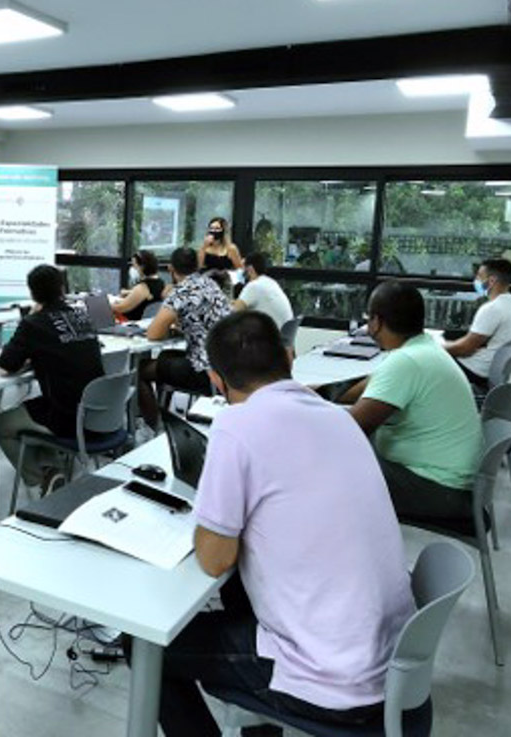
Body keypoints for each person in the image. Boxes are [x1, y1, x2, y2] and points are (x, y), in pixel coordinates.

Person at [160, 310, 414, 736]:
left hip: (329, 681)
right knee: (240, 592)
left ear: (216, 380)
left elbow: (215, 559)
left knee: (150, 646)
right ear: (289, 357)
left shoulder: (236, 426)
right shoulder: (340, 417)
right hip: (391, 662)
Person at [342, 281, 483, 524]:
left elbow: (349, 430)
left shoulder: (405, 362)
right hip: (449, 481)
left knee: (332, 468)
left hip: (438, 490)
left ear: (376, 322)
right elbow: (371, 386)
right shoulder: (425, 348)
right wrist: (321, 392)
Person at [0, 264, 104, 492]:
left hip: (67, 417)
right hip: (98, 415)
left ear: (33, 294)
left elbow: (4, 366)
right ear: (62, 288)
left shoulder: (33, 323)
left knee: (1, 423)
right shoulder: (83, 317)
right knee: (35, 410)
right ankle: (55, 471)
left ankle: (43, 477)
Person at [139, 247, 232, 428]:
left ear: (171, 269)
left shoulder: (181, 291)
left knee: (140, 371)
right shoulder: (209, 284)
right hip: (226, 364)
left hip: (204, 371)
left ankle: (154, 428)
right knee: (165, 358)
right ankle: (164, 418)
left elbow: (153, 334)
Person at [444, 258, 511, 389]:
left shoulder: (493, 308)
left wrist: (437, 347)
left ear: (491, 281)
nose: (476, 280)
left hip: (476, 371)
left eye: (480, 276)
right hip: (488, 368)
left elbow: (465, 348)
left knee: (427, 360)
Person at [233, 251, 294, 328]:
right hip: (280, 333)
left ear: (250, 269)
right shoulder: (270, 282)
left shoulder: (254, 286)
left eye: (243, 270)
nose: (242, 274)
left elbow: (232, 311)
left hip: (269, 336)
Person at [112, 249, 167, 321]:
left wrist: (107, 305)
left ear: (142, 267)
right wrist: (129, 293)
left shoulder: (142, 288)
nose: (133, 268)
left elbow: (121, 308)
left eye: (134, 265)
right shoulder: (160, 283)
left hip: (130, 323)